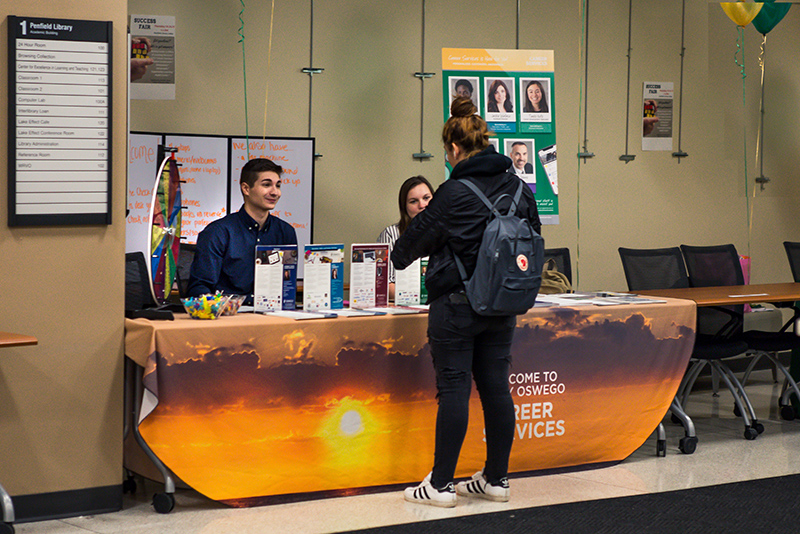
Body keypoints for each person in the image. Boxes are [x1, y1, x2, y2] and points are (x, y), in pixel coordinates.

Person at [392, 97, 541, 507]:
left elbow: (403, 251)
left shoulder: (453, 192)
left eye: (445, 152)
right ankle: (496, 480)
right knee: (496, 387)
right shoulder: (517, 187)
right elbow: (534, 233)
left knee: (454, 388)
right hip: (502, 303)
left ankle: (440, 485)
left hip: (456, 305)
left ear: (454, 150)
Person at [187, 158, 297, 304]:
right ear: (246, 189)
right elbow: (199, 289)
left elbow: (287, 284)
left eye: (278, 185)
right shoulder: (218, 233)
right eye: (266, 185)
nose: (275, 192)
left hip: (273, 315)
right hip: (229, 317)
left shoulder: (285, 232)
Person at [376, 175, 434, 300]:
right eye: (413, 201)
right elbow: (385, 283)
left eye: (426, 198)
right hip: (404, 305)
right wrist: (415, 298)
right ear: (405, 207)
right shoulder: (391, 234)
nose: (422, 205)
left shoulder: (446, 232)